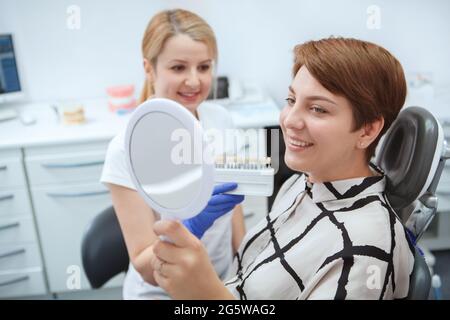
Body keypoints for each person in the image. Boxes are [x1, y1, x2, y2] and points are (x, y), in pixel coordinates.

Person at [150, 37, 416, 300]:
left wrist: (207, 294)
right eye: (291, 100)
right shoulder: (302, 183)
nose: (289, 120)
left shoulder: (365, 248)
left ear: (367, 129)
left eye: (317, 109)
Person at [100, 9, 246, 300]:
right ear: (149, 69)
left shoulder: (220, 120)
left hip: (221, 281)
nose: (194, 81)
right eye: (179, 68)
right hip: (162, 291)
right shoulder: (124, 150)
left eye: (204, 67)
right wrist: (186, 230)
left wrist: (243, 271)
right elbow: (144, 266)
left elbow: (235, 218)